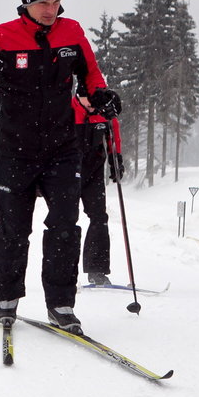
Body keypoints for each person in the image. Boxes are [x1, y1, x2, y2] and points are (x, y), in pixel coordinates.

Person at [0, 0, 118, 334]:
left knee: (65, 226)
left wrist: (102, 96)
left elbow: (91, 78)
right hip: (15, 152)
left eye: (57, 1)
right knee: (13, 230)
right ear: (27, 2)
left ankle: (61, 304)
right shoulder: (2, 36)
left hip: (63, 148)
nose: (51, 9)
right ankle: (8, 298)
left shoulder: (72, 33)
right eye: (44, 2)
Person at [74, 98, 124, 286]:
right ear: (79, 96)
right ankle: (63, 274)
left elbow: (114, 136)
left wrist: (116, 161)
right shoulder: (68, 109)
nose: (92, 104)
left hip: (93, 173)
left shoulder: (104, 112)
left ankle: (97, 270)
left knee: (99, 218)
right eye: (88, 99)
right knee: (65, 221)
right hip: (68, 172)